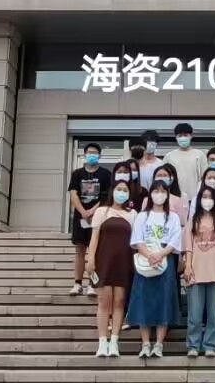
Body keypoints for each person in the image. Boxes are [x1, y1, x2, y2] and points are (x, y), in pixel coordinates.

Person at [127, 180, 183, 358]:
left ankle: (159, 344)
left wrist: (160, 254)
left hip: (165, 260)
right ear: (150, 194)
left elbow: (175, 240)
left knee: (164, 300)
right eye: (156, 191)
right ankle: (145, 344)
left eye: (163, 191)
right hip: (145, 260)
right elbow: (137, 240)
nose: (159, 194)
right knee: (143, 300)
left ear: (167, 194)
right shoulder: (142, 216)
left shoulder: (173, 217)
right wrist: (149, 255)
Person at [86, 179, 137, 357]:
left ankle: (114, 340)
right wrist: (90, 259)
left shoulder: (132, 214)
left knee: (119, 301)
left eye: (125, 190)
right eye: (118, 189)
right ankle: (102, 341)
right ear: (112, 191)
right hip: (104, 261)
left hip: (124, 262)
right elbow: (94, 237)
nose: (121, 192)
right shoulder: (102, 211)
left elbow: (136, 241)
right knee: (104, 301)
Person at [183, 184, 215, 358]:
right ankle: (193, 345)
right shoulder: (193, 220)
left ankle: (211, 345)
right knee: (195, 314)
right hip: (196, 270)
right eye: (204, 197)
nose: (207, 200)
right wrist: (188, 265)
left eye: (210, 197)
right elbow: (188, 245)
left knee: (214, 313)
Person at [68, 143, 112, 296]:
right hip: (81, 217)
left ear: (99, 155)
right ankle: (77, 283)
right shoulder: (77, 174)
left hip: (98, 216)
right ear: (85, 154)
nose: (92, 155)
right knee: (80, 249)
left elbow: (106, 196)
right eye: (89, 152)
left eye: (95, 152)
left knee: (96, 251)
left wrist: (93, 211)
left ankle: (92, 284)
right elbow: (73, 193)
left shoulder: (105, 174)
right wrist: (83, 211)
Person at [164, 123, 207, 202]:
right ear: (176, 137)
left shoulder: (200, 155)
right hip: (175, 198)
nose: (183, 137)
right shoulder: (169, 156)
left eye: (186, 135)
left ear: (191, 136)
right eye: (180, 135)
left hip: (195, 198)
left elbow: (204, 177)